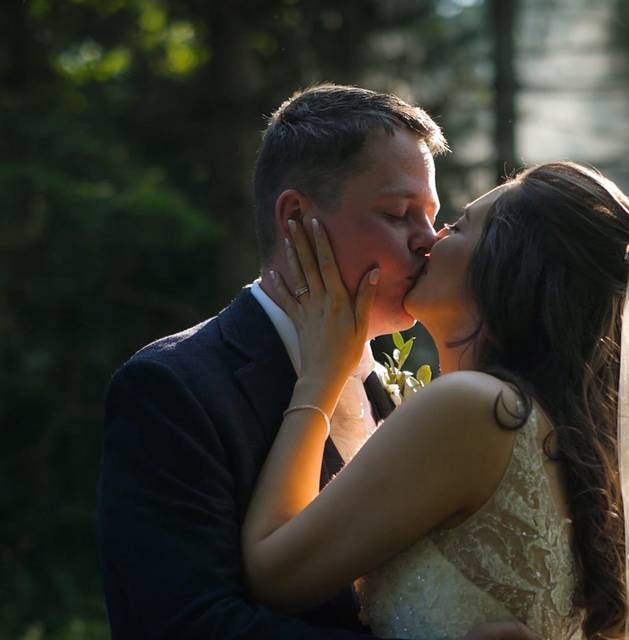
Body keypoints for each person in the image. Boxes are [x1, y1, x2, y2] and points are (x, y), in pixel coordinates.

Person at [241, 161, 629, 639]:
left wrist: (321, 376)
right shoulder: (560, 439)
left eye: (458, 226)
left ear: (503, 266)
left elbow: (275, 574)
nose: (430, 239)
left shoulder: (473, 410)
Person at [97, 84, 539, 639]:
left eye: (432, 216)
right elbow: (189, 624)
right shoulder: (173, 388)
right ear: (296, 218)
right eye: (399, 214)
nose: (428, 242)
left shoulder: (410, 394)